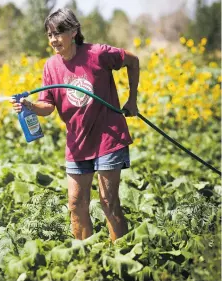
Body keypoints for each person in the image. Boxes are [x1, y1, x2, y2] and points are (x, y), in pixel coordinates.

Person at [10, 8, 139, 242]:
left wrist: (132, 99)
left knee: (108, 201)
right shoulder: (51, 66)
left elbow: (133, 60)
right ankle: (85, 261)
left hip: (108, 138)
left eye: (58, 33)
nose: (53, 40)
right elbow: (47, 106)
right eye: (49, 35)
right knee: (76, 203)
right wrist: (29, 106)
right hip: (78, 142)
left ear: (74, 31)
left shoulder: (97, 54)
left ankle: (122, 261)